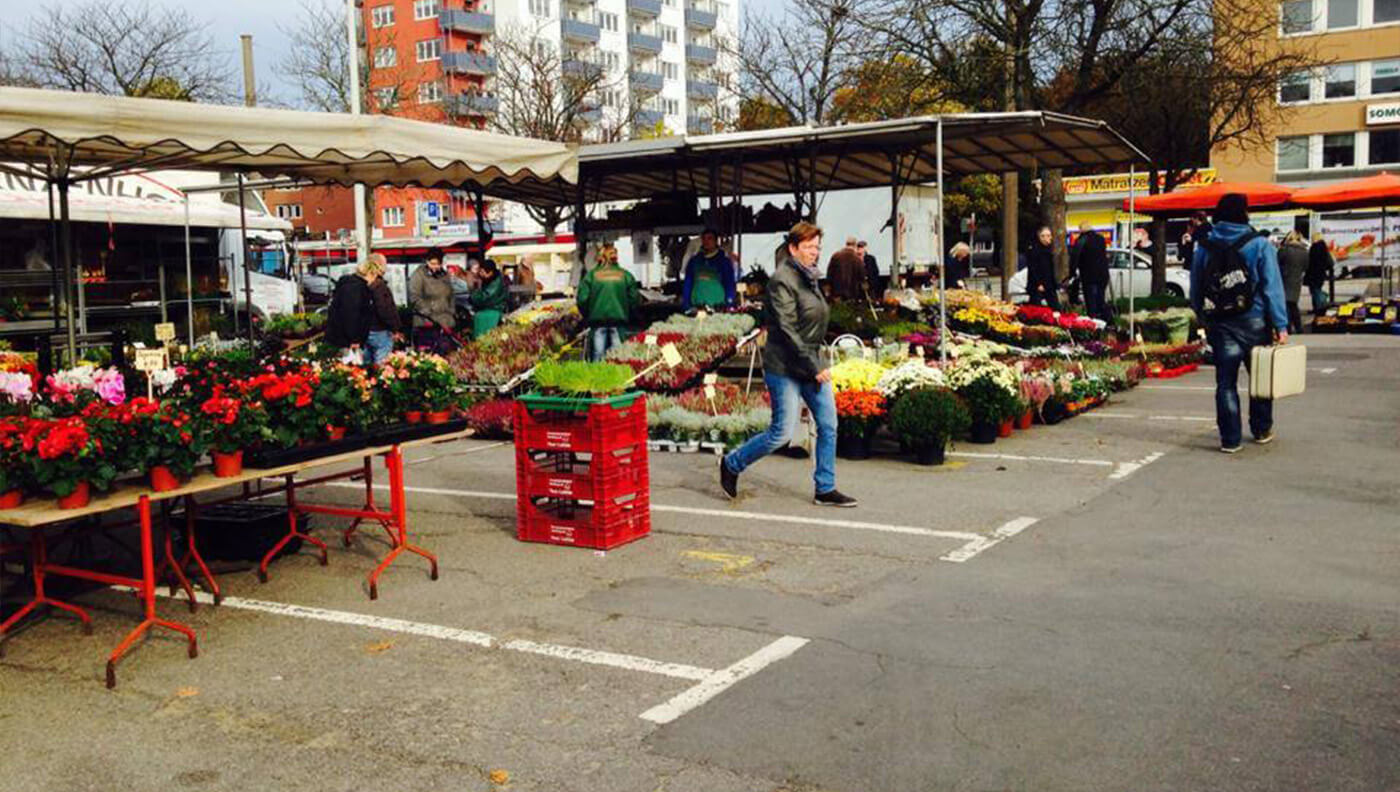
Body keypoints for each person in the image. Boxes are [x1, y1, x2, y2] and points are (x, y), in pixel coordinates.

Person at [720, 222, 857, 508]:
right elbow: (786, 329)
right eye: (809, 247)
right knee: (780, 432)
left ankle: (825, 487)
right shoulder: (782, 280)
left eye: (817, 247)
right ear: (793, 248)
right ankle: (732, 463)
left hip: (810, 360)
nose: (815, 252)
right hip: (785, 366)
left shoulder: (810, 278)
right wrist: (814, 366)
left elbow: (812, 322)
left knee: (829, 424)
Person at [1189, 193, 1289, 454]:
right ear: (1244, 213)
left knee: (1225, 383)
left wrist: (1201, 314)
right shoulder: (1259, 244)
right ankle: (1261, 429)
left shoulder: (1205, 246)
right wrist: (1281, 324)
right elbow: (1272, 287)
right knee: (1260, 378)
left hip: (1221, 323)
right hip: (1255, 320)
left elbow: (1196, 286)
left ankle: (1230, 439)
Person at [576, 244, 639, 362]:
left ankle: (597, 380)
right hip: (619, 323)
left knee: (597, 357)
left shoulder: (591, 276)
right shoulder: (626, 275)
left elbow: (582, 300)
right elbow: (634, 300)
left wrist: (589, 315)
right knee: (618, 358)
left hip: (597, 323)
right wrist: (629, 315)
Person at [326, 255, 382, 364]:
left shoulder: (351, 285)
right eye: (375, 276)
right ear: (370, 273)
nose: (375, 280)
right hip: (347, 340)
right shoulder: (356, 288)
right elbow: (351, 315)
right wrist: (354, 339)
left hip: (343, 338)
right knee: (351, 369)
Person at [409, 247, 458, 353]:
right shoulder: (418, 275)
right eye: (432, 263)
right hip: (426, 324)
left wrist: (451, 312)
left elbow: (451, 296)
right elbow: (415, 298)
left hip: (445, 323)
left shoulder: (444, 276)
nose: (435, 267)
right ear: (427, 261)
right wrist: (429, 312)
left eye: (437, 264)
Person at [680, 228, 737, 311]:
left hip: (718, 305)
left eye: (710, 238)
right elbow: (688, 282)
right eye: (704, 239)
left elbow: (729, 283)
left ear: (715, 241)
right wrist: (686, 302)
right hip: (696, 305)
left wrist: (729, 301)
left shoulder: (723, 261)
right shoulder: (694, 261)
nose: (706, 241)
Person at [364, 253, 401, 365]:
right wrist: (395, 328)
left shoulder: (362, 284)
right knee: (382, 366)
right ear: (379, 265)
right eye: (385, 264)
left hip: (364, 330)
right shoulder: (379, 286)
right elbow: (385, 310)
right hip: (380, 330)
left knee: (367, 365)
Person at [1071, 222, 1109, 320]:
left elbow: (1075, 258)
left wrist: (1072, 272)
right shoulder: (1101, 239)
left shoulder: (1081, 240)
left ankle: (1094, 322)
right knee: (1100, 299)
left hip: (1089, 276)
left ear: (1081, 230)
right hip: (1103, 275)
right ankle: (1105, 320)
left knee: (1091, 301)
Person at [468, 258, 508, 337]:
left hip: (494, 310)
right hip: (489, 308)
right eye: (480, 271)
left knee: (485, 332)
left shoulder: (496, 283)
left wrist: (473, 297)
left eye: (483, 272)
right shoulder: (488, 279)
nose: (480, 273)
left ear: (490, 272)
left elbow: (485, 297)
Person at [1278, 230, 1309, 334]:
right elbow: (1306, 267)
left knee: (1285, 304)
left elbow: (1277, 264)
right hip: (1296, 280)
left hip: (1284, 279)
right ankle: (1298, 327)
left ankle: (1287, 327)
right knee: (1293, 304)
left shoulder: (1284, 250)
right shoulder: (1304, 251)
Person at [1025, 226, 1060, 310]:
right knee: (1035, 308)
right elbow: (1032, 268)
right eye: (1043, 236)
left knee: (1056, 307)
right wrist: (1038, 283)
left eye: (1048, 235)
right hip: (1038, 284)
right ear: (1039, 237)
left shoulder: (1048, 250)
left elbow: (1050, 269)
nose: (1046, 238)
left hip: (1049, 283)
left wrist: (1054, 283)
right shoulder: (1034, 250)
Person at [825, 236, 867, 301]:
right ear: (855, 245)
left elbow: (829, 274)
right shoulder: (857, 259)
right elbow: (862, 276)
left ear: (846, 244)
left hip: (836, 292)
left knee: (839, 310)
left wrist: (828, 289)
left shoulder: (836, 256)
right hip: (852, 293)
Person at [1305, 233, 1333, 315]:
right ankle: (1317, 307)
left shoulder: (1315, 247)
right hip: (1321, 273)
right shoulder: (1324, 248)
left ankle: (1320, 306)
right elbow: (1329, 262)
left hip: (1313, 273)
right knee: (1316, 290)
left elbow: (1310, 261)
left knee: (1315, 291)